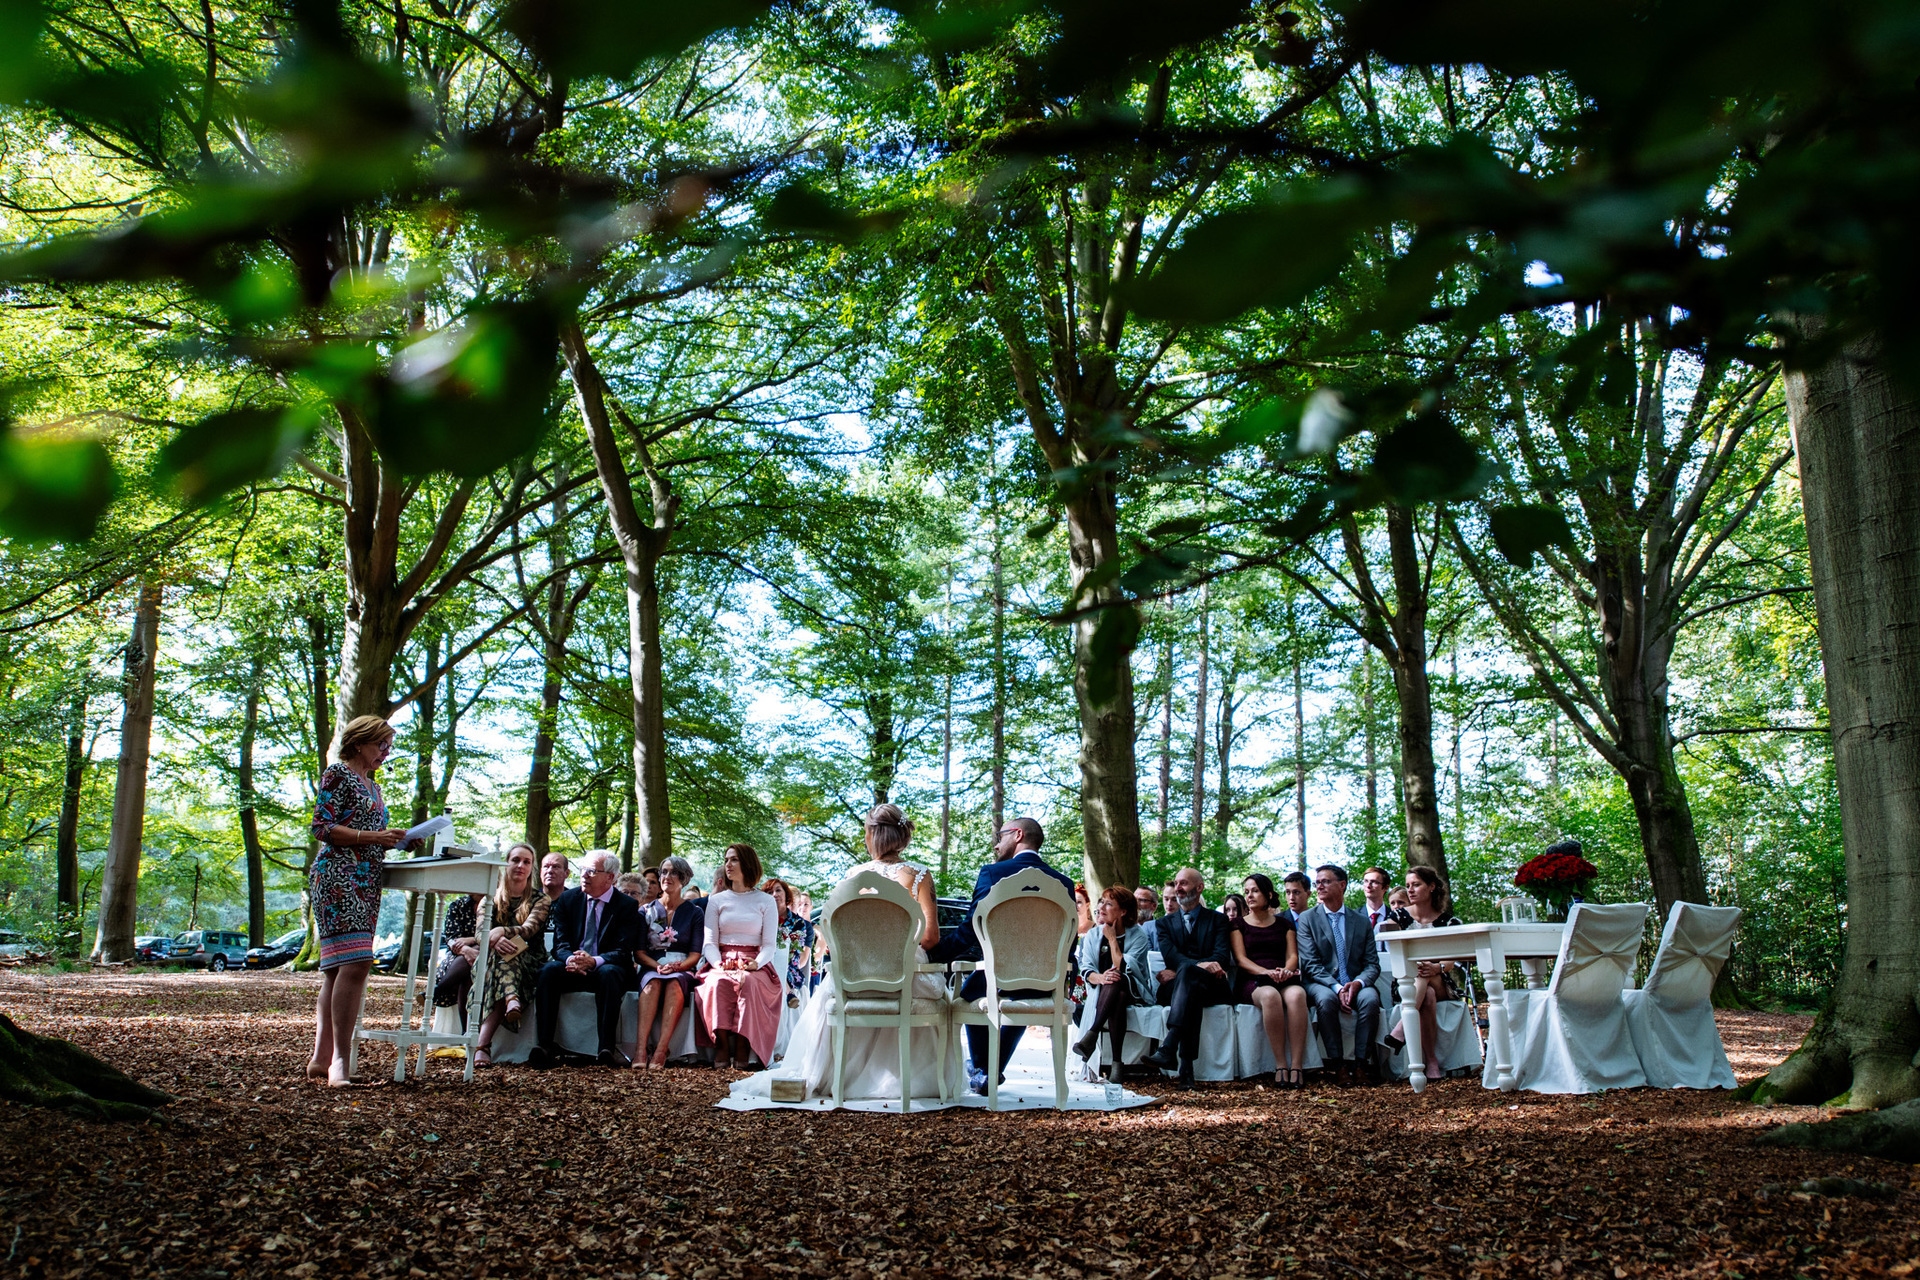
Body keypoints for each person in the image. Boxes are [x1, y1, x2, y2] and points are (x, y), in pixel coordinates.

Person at [729, 803, 961, 1104]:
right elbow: (930, 937)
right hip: (904, 973)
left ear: (872, 836)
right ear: (902, 835)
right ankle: (914, 1082)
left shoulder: (853, 877)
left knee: (830, 992)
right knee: (939, 995)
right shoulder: (918, 874)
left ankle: (836, 1076)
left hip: (855, 974)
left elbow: (835, 934)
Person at [306, 715, 421, 1087]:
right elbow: (322, 827)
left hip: (367, 880)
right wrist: (373, 836)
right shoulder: (337, 774)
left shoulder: (374, 786)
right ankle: (340, 1060)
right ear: (359, 742)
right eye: (380, 745)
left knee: (338, 969)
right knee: (355, 963)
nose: (385, 753)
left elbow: (370, 834)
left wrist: (400, 840)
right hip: (338, 877)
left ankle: (321, 1058)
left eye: (389, 747)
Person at [929, 815, 1077, 1093]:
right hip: (1046, 982)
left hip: (998, 978)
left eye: (1001, 836)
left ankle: (986, 1070)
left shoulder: (992, 874)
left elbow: (972, 929)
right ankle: (989, 1071)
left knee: (970, 991)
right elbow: (1069, 939)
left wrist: (934, 954)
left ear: (1018, 835)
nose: (997, 845)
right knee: (1020, 994)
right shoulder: (1064, 883)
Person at [528, 851, 644, 1069]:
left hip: (607, 968)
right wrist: (571, 959)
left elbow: (622, 950)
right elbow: (560, 945)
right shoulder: (568, 899)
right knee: (548, 971)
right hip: (573, 967)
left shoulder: (626, 906)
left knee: (609, 973)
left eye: (592, 871)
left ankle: (605, 1049)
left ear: (610, 877)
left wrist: (594, 961)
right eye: (583, 870)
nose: (584, 876)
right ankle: (544, 1046)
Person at [1140, 867, 1233, 1088]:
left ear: (1199, 888)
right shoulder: (1164, 924)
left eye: (1184, 883)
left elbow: (1221, 957)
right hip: (1176, 988)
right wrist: (1200, 964)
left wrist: (1186, 967)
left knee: (1190, 979)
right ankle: (1186, 1069)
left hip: (1213, 986)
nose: (1179, 888)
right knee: (1191, 986)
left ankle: (1170, 1048)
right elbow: (1172, 958)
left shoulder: (1218, 920)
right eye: (1177, 883)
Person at [695, 843, 781, 1071]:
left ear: (747, 863)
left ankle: (743, 1044)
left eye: (734, 860)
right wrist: (718, 964)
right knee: (716, 982)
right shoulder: (716, 901)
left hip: (755, 961)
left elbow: (770, 945)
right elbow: (710, 943)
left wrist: (756, 963)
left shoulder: (766, 901)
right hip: (722, 959)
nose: (728, 865)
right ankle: (722, 1044)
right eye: (726, 860)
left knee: (750, 984)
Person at [465, 842, 551, 1068]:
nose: (520, 865)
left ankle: (481, 1046)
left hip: (530, 958)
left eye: (526, 862)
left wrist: (502, 930)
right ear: (506, 863)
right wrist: (496, 939)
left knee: (505, 958)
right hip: (493, 958)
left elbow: (529, 930)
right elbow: (481, 934)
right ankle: (511, 998)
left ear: (531, 868)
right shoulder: (488, 898)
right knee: (501, 958)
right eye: (515, 860)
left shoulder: (540, 899)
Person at [1296, 863, 1383, 1087]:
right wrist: (1336, 988)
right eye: (1317, 883)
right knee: (1325, 1000)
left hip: (1356, 981)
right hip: (1321, 982)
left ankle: (1361, 1064)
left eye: (1325, 881)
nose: (1319, 886)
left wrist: (1358, 982)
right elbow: (1310, 964)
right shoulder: (1307, 919)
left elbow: (1372, 963)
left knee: (1371, 999)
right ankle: (1338, 1065)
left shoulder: (1361, 921)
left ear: (1342, 885)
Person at [1380, 865, 1464, 1083]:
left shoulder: (1448, 922)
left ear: (1432, 886)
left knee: (1427, 975)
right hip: (1408, 980)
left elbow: (1452, 961)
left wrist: (1437, 967)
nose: (1410, 890)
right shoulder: (1398, 917)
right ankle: (1432, 1061)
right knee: (1425, 993)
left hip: (1440, 979)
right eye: (1408, 886)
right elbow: (1389, 942)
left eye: (1416, 885)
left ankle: (1400, 1030)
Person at [1230, 873, 1309, 1088]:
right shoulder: (1238, 925)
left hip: (1282, 975)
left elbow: (1293, 956)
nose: (1249, 896)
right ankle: (1281, 1064)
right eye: (1246, 892)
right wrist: (1265, 972)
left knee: (1297, 994)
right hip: (1253, 979)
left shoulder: (1285, 924)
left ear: (1268, 894)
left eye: (1255, 891)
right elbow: (1241, 960)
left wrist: (1285, 970)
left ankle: (1297, 1065)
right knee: (1271, 996)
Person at [1071, 886, 1153, 1082]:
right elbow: (1087, 968)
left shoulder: (1138, 935)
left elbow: (1124, 967)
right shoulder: (1092, 935)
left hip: (1134, 990)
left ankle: (1092, 1034)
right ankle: (1117, 1064)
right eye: (1101, 902)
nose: (1102, 907)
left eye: (1109, 904)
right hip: (1103, 992)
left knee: (1119, 979)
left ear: (1123, 911)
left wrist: (1112, 939)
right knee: (1117, 991)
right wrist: (1101, 978)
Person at [634, 855, 704, 1069]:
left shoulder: (695, 913)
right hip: (651, 965)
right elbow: (638, 952)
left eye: (674, 872)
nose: (667, 877)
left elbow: (695, 953)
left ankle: (661, 1050)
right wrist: (657, 966)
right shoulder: (645, 911)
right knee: (652, 983)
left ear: (683, 878)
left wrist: (677, 967)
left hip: (682, 967)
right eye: (664, 872)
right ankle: (639, 1050)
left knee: (674, 984)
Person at [763, 877, 813, 1008]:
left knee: (777, 968)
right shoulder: (762, 919)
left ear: (786, 895)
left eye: (778, 890)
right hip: (765, 963)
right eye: (769, 892)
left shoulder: (799, 923)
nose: (774, 895)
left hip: (789, 966)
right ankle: (789, 993)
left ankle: (788, 992)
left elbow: (796, 955)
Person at [538, 851, 570, 958]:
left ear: (567, 873)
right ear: (541, 872)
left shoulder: (575, 902)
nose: (550, 871)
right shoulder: (529, 900)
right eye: (546, 867)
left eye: (556, 867)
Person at [1360, 866, 1394, 930]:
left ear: (1386, 887)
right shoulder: (1353, 917)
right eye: (1366, 881)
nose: (1368, 886)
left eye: (1374, 882)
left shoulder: (1394, 916)